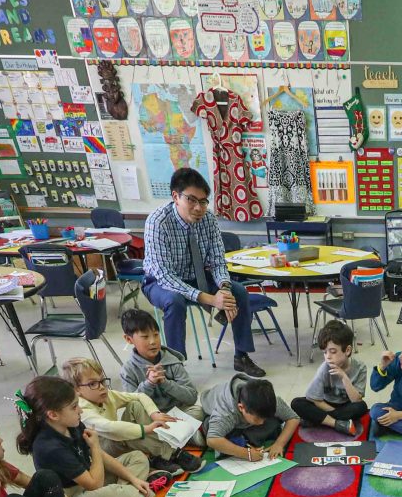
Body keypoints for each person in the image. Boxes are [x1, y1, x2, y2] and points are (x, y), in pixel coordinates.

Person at [141, 167, 264, 378]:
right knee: (174, 302)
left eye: (204, 201)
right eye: (192, 200)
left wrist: (224, 290)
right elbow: (164, 275)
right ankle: (176, 367)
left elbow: (217, 260)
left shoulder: (208, 219)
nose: (199, 208)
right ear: (175, 197)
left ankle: (241, 356)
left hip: (197, 276)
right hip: (159, 282)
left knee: (238, 292)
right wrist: (209, 299)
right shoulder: (158, 222)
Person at [20, 376, 154, 497]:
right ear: (53, 415)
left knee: (137, 458)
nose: (80, 411)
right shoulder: (50, 447)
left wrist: (133, 479)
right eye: (74, 407)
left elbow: (101, 458)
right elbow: (94, 484)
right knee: (112, 495)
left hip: (90, 479)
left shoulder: (72, 423)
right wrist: (95, 446)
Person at [62, 356, 198, 479]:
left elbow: (139, 396)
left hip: (116, 442)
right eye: (92, 384)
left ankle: (158, 457)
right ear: (76, 390)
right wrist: (146, 429)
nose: (102, 387)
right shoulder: (82, 409)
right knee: (123, 435)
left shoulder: (107, 395)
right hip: (99, 453)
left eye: (102, 381)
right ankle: (171, 453)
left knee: (135, 405)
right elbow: (110, 428)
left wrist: (154, 413)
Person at [116, 307, 202, 414]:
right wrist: (149, 383)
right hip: (149, 416)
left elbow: (192, 397)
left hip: (177, 413)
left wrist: (165, 383)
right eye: (145, 337)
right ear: (129, 339)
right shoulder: (128, 370)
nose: (153, 341)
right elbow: (131, 406)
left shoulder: (172, 362)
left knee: (198, 412)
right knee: (130, 416)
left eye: (156, 335)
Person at [292, 319, 371, 434]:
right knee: (297, 403)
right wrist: (334, 413)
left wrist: (344, 377)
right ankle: (337, 423)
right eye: (325, 352)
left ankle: (320, 420)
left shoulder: (360, 367)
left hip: (346, 406)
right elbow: (314, 399)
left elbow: (356, 400)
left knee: (362, 407)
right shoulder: (324, 368)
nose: (328, 357)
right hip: (325, 405)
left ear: (347, 350)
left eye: (333, 352)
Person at [201, 377, 297, 461]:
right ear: (241, 407)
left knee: (273, 422)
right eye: (257, 419)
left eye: (263, 418)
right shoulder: (226, 411)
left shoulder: (269, 401)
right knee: (211, 430)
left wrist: (279, 444)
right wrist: (247, 454)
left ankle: (245, 439)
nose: (261, 423)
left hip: (243, 422)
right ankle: (244, 440)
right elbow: (212, 440)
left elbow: (293, 418)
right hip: (220, 419)